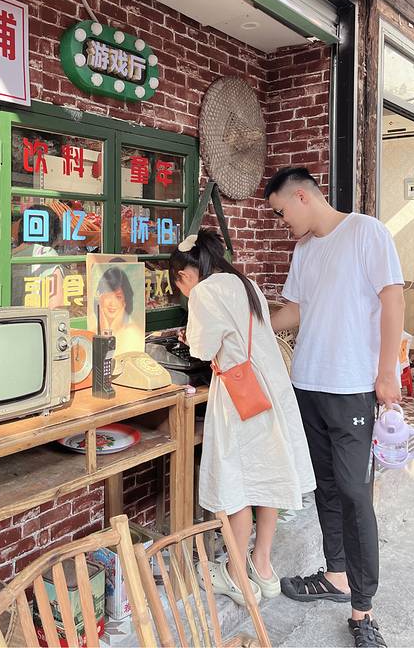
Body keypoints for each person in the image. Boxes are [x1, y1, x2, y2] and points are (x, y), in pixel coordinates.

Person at [265, 166, 404, 648]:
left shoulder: (366, 232)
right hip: (308, 384)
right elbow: (295, 311)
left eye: (281, 211)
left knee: (354, 492)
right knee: (325, 487)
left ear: (302, 197)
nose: (282, 221)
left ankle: (363, 611)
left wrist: (386, 372)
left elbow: (392, 299)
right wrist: (248, 319)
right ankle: (337, 574)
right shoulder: (305, 250)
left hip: (352, 387)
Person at [169, 228, 315, 606]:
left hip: (239, 398)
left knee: (236, 485)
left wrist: (190, 334)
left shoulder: (204, 292)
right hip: (271, 392)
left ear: (185, 274)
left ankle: (235, 576)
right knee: (267, 479)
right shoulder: (244, 283)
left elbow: (203, 349)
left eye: (179, 285)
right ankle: (262, 567)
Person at [93, 266, 144, 355]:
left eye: (118, 297)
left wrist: (114, 328)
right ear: (100, 298)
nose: (112, 303)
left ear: (125, 300)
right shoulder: (92, 332)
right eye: (108, 296)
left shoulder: (132, 333)